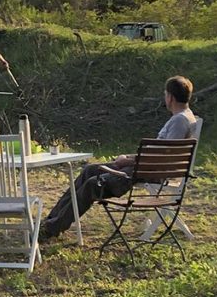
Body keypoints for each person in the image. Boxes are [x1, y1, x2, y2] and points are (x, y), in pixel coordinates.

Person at [40, 75, 198, 240]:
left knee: (92, 185)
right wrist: (129, 158)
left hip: (145, 172)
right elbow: (159, 154)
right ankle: (51, 220)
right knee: (89, 170)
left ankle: (51, 229)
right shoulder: (185, 117)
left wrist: (128, 161)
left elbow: (162, 156)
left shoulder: (179, 121)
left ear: (170, 97)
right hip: (144, 167)